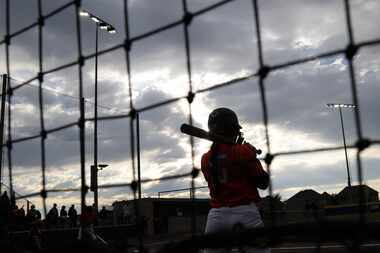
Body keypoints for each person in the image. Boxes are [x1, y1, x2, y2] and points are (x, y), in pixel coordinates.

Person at [201, 108, 270, 253]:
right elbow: (263, 183)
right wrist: (252, 156)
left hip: (216, 217)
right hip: (245, 214)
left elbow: (223, 160)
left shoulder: (205, 159)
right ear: (232, 129)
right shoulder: (242, 151)